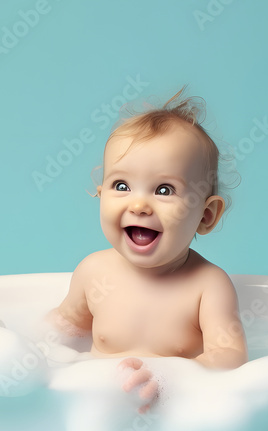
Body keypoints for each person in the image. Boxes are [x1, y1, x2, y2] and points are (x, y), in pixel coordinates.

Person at [47, 88, 247, 413]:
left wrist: (170, 376)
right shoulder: (93, 273)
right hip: (99, 411)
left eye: (164, 189)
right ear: (100, 194)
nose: (139, 205)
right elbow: (60, 331)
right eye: (121, 186)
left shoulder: (208, 286)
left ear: (206, 215)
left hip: (176, 415)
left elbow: (230, 357)